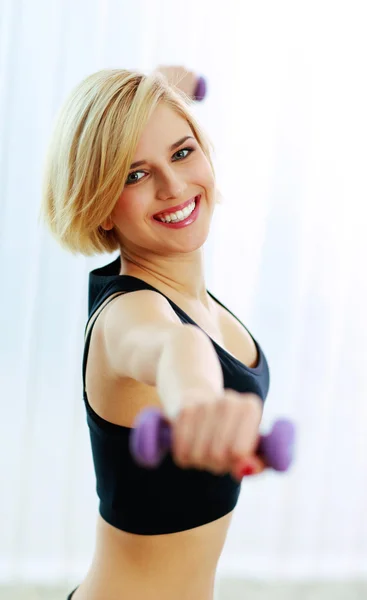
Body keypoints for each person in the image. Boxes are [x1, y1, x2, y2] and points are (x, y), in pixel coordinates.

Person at [40, 65, 270, 600]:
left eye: (184, 152)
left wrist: (165, 85)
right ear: (99, 205)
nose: (173, 186)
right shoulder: (130, 314)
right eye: (133, 176)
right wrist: (196, 403)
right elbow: (171, 346)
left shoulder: (187, 291)